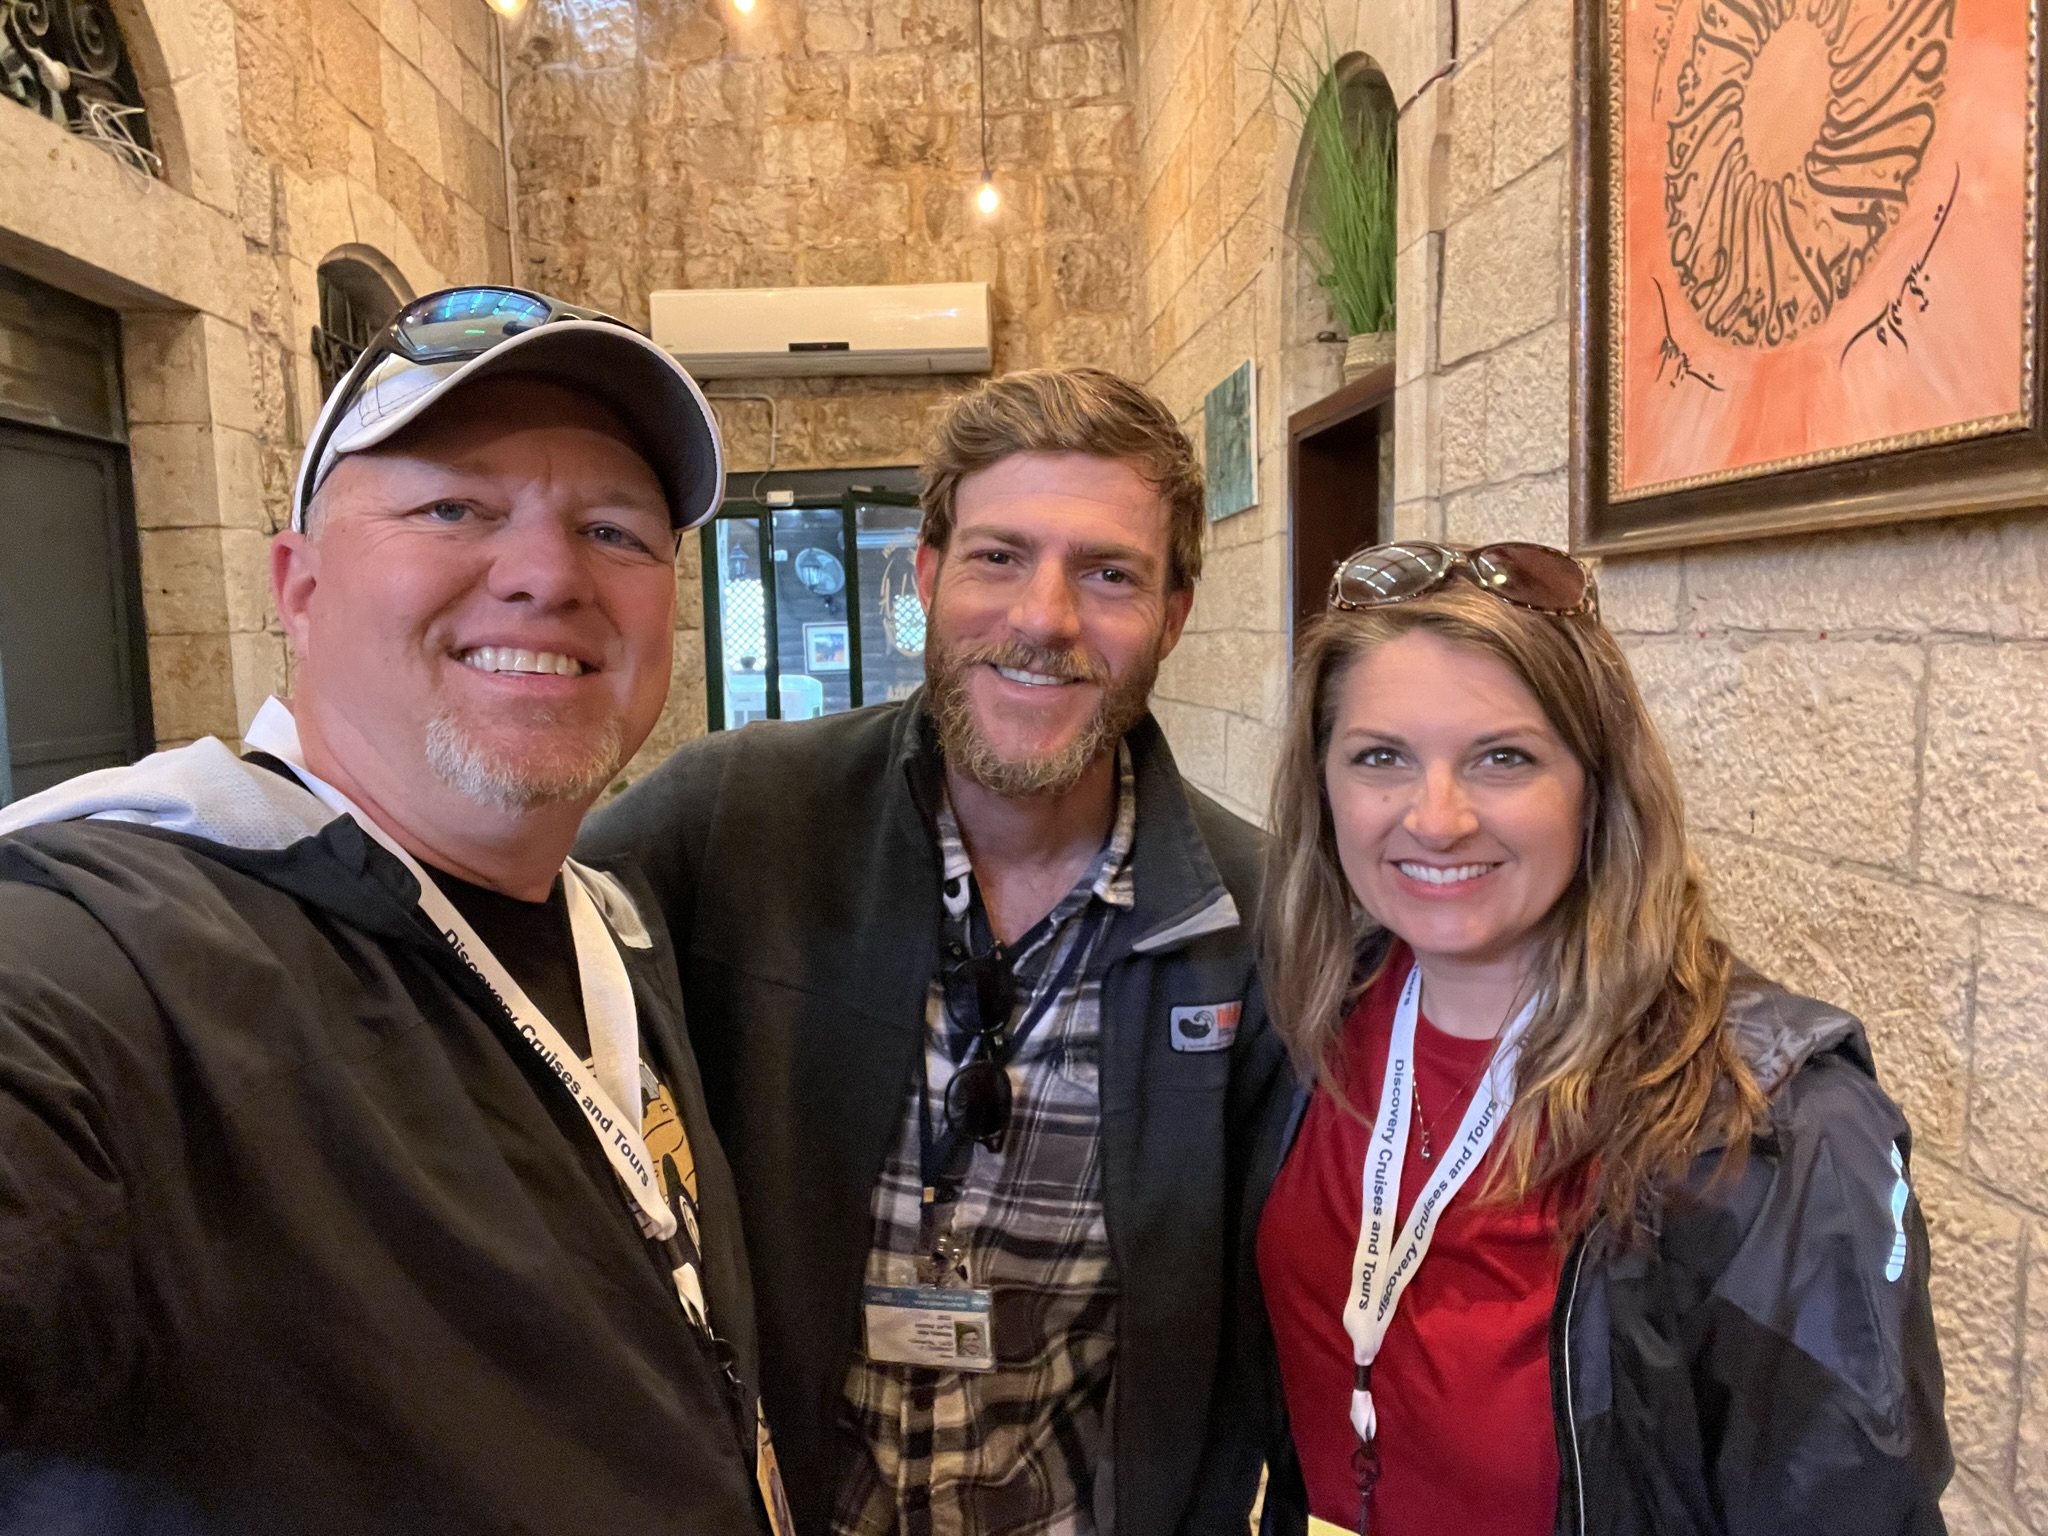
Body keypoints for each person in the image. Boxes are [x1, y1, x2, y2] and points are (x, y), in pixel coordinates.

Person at [0, 287, 792, 1535]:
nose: (548, 575)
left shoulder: (606, 928)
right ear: (299, 585)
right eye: (452, 509)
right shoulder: (114, 957)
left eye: (613, 531)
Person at [582, 368, 1286, 1536]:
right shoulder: (731, 822)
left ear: (1172, 614)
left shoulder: (1247, 923)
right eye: (998, 557)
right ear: (924, 576)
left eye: (1108, 574)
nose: (1043, 618)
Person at [1248, 541, 1951, 1536]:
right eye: (1380, 757)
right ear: (1322, 787)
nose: (1435, 819)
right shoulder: (1313, 1020)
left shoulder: (1771, 1127)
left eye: (1503, 757)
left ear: (1596, 786)